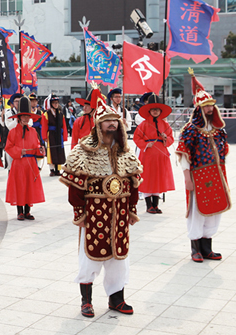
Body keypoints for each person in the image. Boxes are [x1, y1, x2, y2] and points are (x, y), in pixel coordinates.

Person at [60, 85, 142, 317]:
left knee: (119, 258)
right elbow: (75, 186)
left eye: (115, 121)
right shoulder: (82, 151)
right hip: (95, 211)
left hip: (120, 211)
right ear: (98, 125)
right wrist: (80, 212)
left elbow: (134, 181)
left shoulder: (125, 151)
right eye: (107, 121)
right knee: (90, 257)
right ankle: (86, 301)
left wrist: (132, 210)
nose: (112, 124)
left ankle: (117, 299)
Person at [175, 69, 230, 263]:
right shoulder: (190, 130)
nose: (209, 109)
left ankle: (207, 248)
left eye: (211, 106)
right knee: (197, 211)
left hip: (216, 175)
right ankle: (195, 248)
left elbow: (225, 153)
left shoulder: (217, 130)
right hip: (198, 176)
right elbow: (183, 155)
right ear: (199, 108)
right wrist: (187, 178)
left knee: (214, 210)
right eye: (205, 106)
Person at [133, 93, 175, 214]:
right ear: (149, 110)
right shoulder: (144, 124)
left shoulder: (165, 124)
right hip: (148, 154)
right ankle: (148, 205)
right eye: (153, 109)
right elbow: (137, 138)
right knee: (147, 178)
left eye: (157, 110)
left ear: (160, 111)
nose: (155, 112)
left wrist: (165, 137)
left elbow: (171, 138)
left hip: (161, 155)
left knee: (159, 178)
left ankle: (155, 205)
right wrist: (146, 145)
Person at [5, 96, 45, 220]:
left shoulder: (33, 131)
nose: (26, 118)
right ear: (19, 117)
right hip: (19, 163)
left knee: (29, 186)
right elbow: (8, 147)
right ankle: (20, 211)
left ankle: (27, 211)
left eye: (28, 116)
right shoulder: (12, 132)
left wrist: (40, 150)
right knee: (20, 186)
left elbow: (37, 146)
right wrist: (19, 151)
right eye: (24, 116)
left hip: (31, 163)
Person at [41, 94, 68, 176]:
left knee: (59, 151)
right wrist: (44, 136)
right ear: (51, 103)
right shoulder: (47, 114)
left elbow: (64, 125)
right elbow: (44, 126)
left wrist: (64, 136)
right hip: (51, 135)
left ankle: (58, 169)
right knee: (51, 151)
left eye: (57, 102)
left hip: (59, 134)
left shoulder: (60, 114)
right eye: (54, 103)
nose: (56, 104)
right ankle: (52, 169)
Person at [29, 94, 45, 169]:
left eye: (35, 101)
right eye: (32, 101)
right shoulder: (28, 111)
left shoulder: (40, 112)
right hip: (30, 131)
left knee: (39, 147)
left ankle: (38, 165)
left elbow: (42, 123)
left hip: (38, 131)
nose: (34, 103)